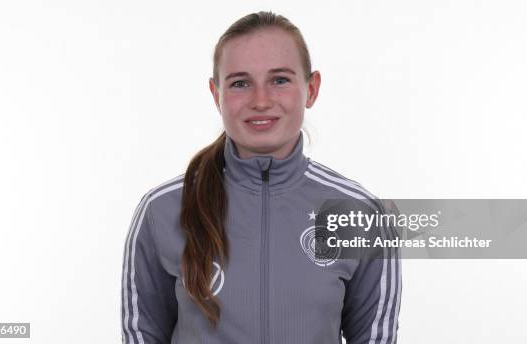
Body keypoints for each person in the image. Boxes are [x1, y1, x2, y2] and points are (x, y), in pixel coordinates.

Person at [121, 11, 401, 344]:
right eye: (240, 83)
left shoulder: (361, 214)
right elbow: (142, 335)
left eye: (280, 80)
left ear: (311, 89)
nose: (261, 101)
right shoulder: (162, 210)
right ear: (216, 95)